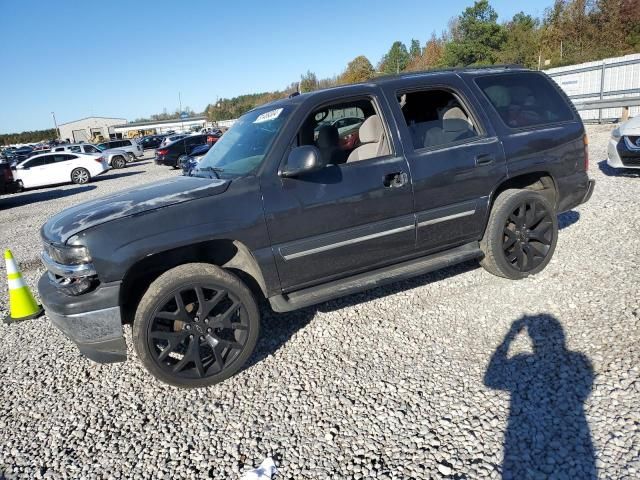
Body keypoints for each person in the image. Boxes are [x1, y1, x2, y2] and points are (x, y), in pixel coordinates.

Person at [484, 315, 596, 479]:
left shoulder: (521, 361)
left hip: (519, 440)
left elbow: (491, 380)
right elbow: (585, 388)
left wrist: (509, 338)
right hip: (577, 433)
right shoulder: (579, 360)